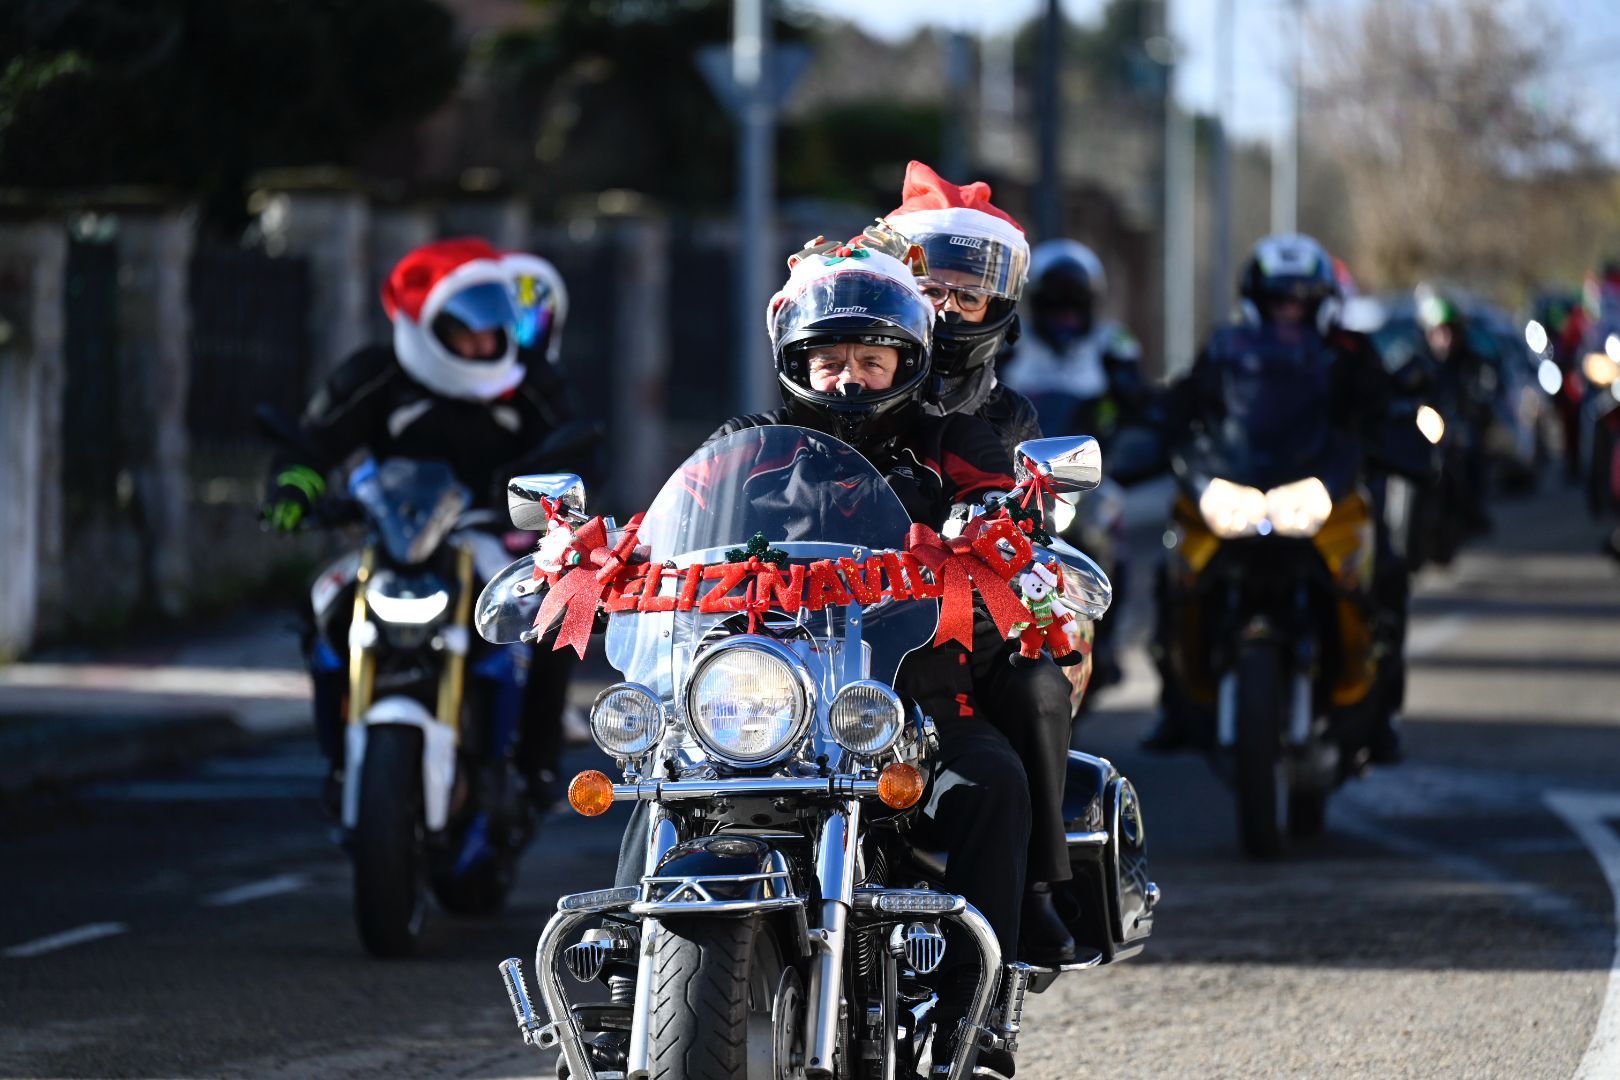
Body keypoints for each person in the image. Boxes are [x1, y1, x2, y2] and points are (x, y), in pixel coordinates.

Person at [613, 247, 1029, 1075]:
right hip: (764, 698)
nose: (848, 377)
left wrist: (1000, 537)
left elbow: (1008, 521)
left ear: (907, 362)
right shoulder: (743, 446)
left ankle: (973, 1021)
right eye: (829, 359)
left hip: (908, 699)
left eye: (871, 360)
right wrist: (608, 567)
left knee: (992, 784)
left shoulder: (955, 443)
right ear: (795, 362)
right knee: (661, 779)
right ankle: (626, 986)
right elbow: (662, 539)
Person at [263, 236, 589, 807]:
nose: (485, 340)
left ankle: (536, 768)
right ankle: (337, 754)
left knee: (554, 614)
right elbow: (312, 443)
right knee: (322, 605)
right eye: (468, 329)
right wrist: (294, 489)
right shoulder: (376, 375)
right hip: (393, 540)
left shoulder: (530, 380)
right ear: (427, 328)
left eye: (493, 325)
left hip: (493, 539)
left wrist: (556, 501)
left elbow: (577, 447)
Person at [880, 163, 1081, 968]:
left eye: (968, 295)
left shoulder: (1002, 414)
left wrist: (1000, 529)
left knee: (1033, 681)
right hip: (839, 623)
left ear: (999, 308)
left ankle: (1034, 890)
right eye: (931, 288)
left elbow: (1020, 514)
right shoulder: (848, 376)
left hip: (961, 623)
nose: (946, 308)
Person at [1141, 234, 1408, 763]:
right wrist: (1154, 423)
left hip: (1320, 492)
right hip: (1240, 486)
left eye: (1301, 301)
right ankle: (1176, 699)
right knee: (1173, 570)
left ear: (1321, 304)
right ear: (1255, 302)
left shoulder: (1349, 352)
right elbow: (1185, 404)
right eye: (1277, 300)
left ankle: (1379, 713)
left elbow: (1383, 409)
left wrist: (1395, 430)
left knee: (1387, 569)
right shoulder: (1225, 349)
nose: (1289, 310)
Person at [1000, 238, 1152, 695]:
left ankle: (1108, 639)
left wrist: (1139, 440)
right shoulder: (1010, 341)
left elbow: (1141, 404)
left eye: (1073, 306)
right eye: (1054, 306)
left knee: (1113, 529)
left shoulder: (1112, 344)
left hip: (1089, 479)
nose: (1064, 316)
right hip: (1020, 477)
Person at [1415, 287, 1494, 536]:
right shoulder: (1419, 362)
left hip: (1457, 428)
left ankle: (1474, 507)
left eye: (1449, 331)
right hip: (1428, 430)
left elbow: (1483, 392)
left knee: (1471, 447)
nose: (1445, 338)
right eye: (1439, 332)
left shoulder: (1471, 364)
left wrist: (1476, 407)